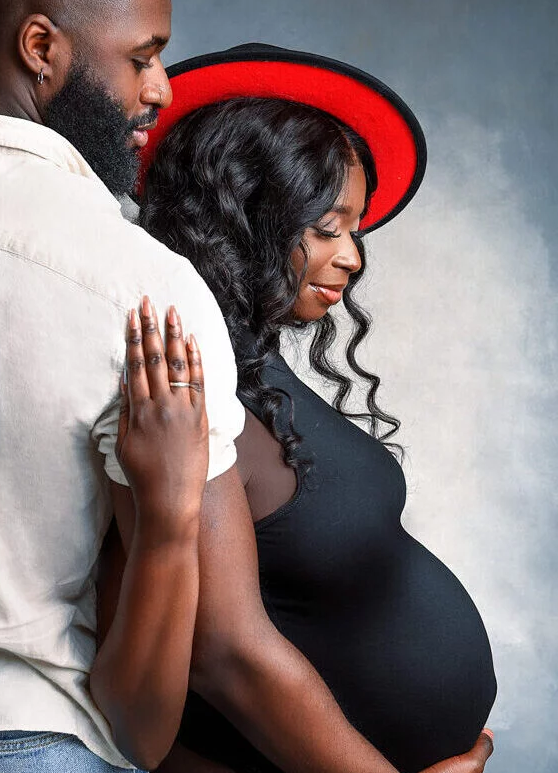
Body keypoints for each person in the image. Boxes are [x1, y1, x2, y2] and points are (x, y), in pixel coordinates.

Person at [0, 0, 245, 772]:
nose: (160, 90)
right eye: (141, 57)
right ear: (40, 46)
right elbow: (141, 727)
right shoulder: (144, 293)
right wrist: (168, 520)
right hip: (23, 739)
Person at [120, 44, 497, 773]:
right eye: (327, 227)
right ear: (243, 214)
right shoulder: (185, 383)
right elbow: (224, 656)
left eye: (354, 230)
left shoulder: (254, 365)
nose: (352, 257)